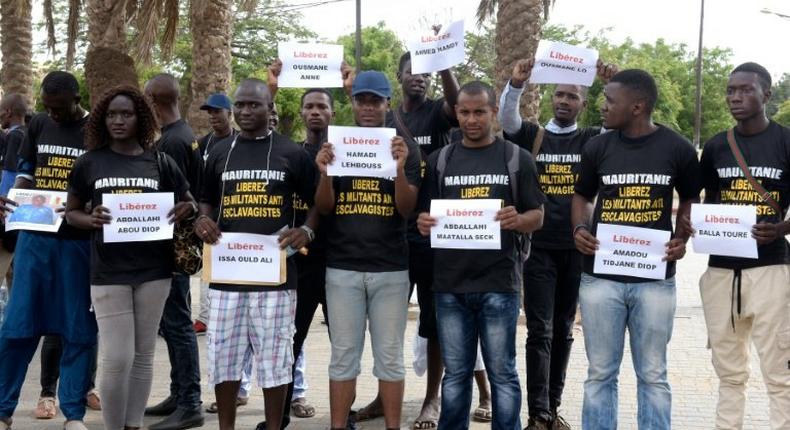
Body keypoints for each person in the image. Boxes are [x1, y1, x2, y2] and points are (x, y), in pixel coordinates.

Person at [571, 69, 701, 430]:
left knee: (653, 374)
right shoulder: (597, 146)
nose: (603, 106)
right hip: (600, 278)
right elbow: (582, 195)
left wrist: (681, 237)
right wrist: (580, 227)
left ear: (638, 106)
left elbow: (690, 195)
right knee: (600, 374)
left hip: (655, 279)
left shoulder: (677, 148)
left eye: (610, 101)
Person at [65, 85, 197, 430]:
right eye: (111, 114)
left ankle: (133, 425)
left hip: (155, 270)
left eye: (126, 114)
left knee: (143, 355)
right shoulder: (89, 162)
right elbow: (71, 213)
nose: (118, 120)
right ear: (101, 120)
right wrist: (89, 220)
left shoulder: (160, 161)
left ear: (141, 117)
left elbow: (189, 201)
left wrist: (187, 208)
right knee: (117, 358)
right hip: (108, 271)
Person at [416, 80, 545, 430]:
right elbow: (424, 215)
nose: (471, 119)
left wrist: (518, 219)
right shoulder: (439, 160)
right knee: (455, 374)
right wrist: (423, 222)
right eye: (464, 112)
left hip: (500, 284)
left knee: (503, 373)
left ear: (493, 114)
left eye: (479, 112)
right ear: (456, 113)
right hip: (449, 286)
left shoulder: (517, 159)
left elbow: (538, 215)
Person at [498, 58, 616, 430]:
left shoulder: (593, 140)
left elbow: (626, 122)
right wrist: (515, 84)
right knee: (539, 329)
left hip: (578, 248)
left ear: (584, 103)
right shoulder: (533, 135)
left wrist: (617, 82)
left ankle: (553, 406)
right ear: (551, 97)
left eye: (573, 96)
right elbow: (506, 120)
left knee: (564, 329)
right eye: (560, 94)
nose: (564, 100)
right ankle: (538, 413)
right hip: (537, 247)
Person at [194, 78, 317, 430]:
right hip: (226, 276)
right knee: (223, 358)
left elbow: (317, 204)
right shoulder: (219, 151)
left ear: (270, 108)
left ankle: (274, 425)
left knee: (276, 359)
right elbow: (206, 197)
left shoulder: (292, 152)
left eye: (254, 105)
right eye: (241, 105)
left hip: (275, 278)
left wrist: (306, 230)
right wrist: (203, 218)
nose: (246, 111)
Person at [354, 50, 460, 430]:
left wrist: (443, 62)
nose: (420, 78)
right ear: (398, 78)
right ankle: (386, 395)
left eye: (426, 74)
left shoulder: (437, 111)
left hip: (434, 230)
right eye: (412, 72)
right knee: (390, 322)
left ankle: (431, 399)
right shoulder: (386, 118)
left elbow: (455, 102)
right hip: (395, 231)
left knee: (433, 320)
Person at [314, 70, 421, 430]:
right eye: (362, 100)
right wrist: (326, 172)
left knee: (389, 358)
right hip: (342, 268)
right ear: (353, 102)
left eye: (376, 100)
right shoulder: (336, 144)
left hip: (390, 268)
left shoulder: (403, 147)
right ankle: (338, 426)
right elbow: (325, 207)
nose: (369, 107)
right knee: (343, 357)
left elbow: (407, 208)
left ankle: (392, 427)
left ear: (388, 103)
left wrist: (402, 168)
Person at [0, 71, 97, 430]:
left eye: (59, 108)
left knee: (78, 329)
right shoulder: (39, 124)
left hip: (77, 244)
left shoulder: (96, 130)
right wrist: (15, 198)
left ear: (76, 98)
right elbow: (27, 171)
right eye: (48, 108)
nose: (53, 114)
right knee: (17, 327)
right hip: (35, 239)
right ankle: (3, 410)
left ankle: (73, 413)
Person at [697, 62, 790, 429]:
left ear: (766, 95)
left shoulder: (785, 141)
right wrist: (696, 224)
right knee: (729, 371)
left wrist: (781, 226)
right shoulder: (718, 145)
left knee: (779, 370)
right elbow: (706, 201)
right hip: (721, 270)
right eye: (731, 90)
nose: (735, 97)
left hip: (771, 269)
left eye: (745, 90)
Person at [143, 73, 204, 430]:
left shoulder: (171, 144)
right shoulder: (181, 135)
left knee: (178, 325)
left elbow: (170, 199)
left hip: (172, 250)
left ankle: (190, 402)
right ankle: (178, 392)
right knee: (173, 323)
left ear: (153, 99)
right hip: (175, 248)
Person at [194, 93, 238, 334]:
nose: (213, 117)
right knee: (209, 266)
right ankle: (205, 316)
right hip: (209, 215)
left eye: (217, 112)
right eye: (209, 112)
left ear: (229, 114)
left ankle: (227, 315)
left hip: (235, 213)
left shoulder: (240, 141)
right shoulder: (202, 144)